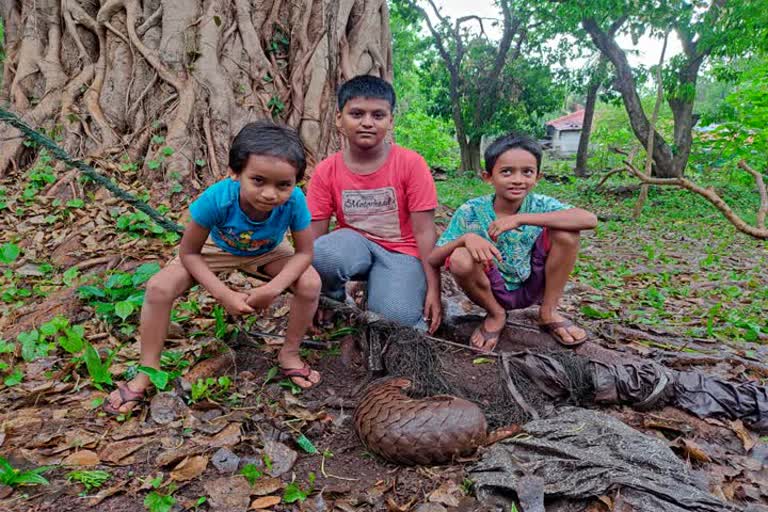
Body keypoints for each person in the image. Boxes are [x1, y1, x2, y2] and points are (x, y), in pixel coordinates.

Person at [104, 121, 322, 415]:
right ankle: (147, 370)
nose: (271, 194)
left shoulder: (295, 201)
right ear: (235, 173)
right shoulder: (217, 198)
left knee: (310, 284)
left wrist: (272, 289)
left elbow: (304, 252)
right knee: (158, 287)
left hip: (268, 250)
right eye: (258, 180)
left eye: (283, 184)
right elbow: (189, 253)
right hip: (215, 249)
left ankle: (290, 353)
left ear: (295, 182)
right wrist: (223, 294)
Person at [428, 133, 597, 351]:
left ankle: (548, 312)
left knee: (567, 233)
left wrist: (520, 218)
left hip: (533, 284)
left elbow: (589, 219)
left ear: (538, 177)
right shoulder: (471, 211)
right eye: (507, 172)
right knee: (460, 257)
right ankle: (496, 314)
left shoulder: (540, 204)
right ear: (488, 177)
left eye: (527, 172)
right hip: (491, 289)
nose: (518, 179)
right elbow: (434, 258)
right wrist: (466, 238)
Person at [307, 75, 442, 332]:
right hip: (354, 247)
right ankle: (333, 300)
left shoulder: (411, 164)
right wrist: (312, 292)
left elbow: (425, 231)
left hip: (401, 254)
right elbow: (314, 236)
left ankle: (390, 288)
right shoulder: (326, 170)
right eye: (356, 114)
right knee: (323, 254)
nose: (367, 123)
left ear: (390, 121)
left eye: (378, 115)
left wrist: (433, 289)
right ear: (339, 119)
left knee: (395, 319)